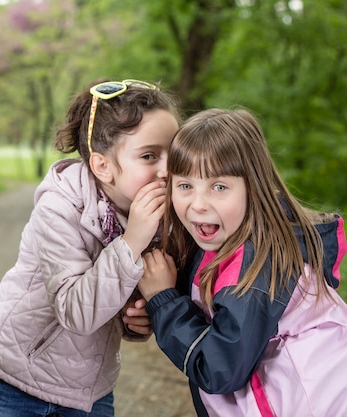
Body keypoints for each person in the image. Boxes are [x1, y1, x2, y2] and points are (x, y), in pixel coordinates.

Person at [0, 79, 181, 416]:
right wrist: (133, 240)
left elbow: (116, 300)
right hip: (13, 382)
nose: (166, 170)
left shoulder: (157, 218)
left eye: (174, 154)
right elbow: (75, 311)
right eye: (149, 155)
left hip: (88, 393)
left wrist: (136, 319)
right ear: (102, 166)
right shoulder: (59, 207)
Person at [133, 108, 347, 416]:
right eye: (184, 186)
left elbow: (219, 368)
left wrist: (163, 302)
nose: (198, 203)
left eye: (219, 187)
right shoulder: (224, 243)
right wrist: (156, 308)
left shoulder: (264, 261)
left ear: (253, 187)